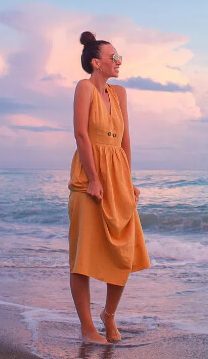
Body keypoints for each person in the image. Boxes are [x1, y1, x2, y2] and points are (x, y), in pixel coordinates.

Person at [67, 31, 151, 344]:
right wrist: (94, 179)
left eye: (119, 56)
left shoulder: (120, 94)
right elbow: (81, 135)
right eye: (113, 56)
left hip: (117, 175)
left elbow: (126, 139)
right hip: (89, 177)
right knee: (83, 257)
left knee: (124, 252)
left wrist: (127, 182)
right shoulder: (84, 88)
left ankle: (109, 315)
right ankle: (88, 328)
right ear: (96, 62)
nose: (118, 61)